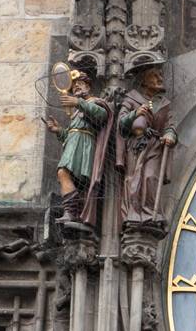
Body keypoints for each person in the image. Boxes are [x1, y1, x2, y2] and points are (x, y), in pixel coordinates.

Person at [45, 67, 110, 228]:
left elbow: (101, 116)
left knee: (63, 173)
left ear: (88, 87)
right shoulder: (77, 111)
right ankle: (73, 213)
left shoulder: (95, 102)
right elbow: (72, 134)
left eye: (80, 84)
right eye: (74, 87)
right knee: (68, 176)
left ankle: (71, 212)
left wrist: (78, 102)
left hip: (85, 146)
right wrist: (58, 130)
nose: (77, 88)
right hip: (75, 144)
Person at [116, 63, 177, 230]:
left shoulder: (164, 103)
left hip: (156, 146)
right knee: (134, 178)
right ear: (144, 79)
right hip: (136, 145)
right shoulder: (132, 98)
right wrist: (135, 114)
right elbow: (121, 122)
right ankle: (133, 213)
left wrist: (170, 134)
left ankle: (151, 212)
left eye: (160, 75)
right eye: (154, 75)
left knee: (150, 177)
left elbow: (170, 124)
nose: (160, 78)